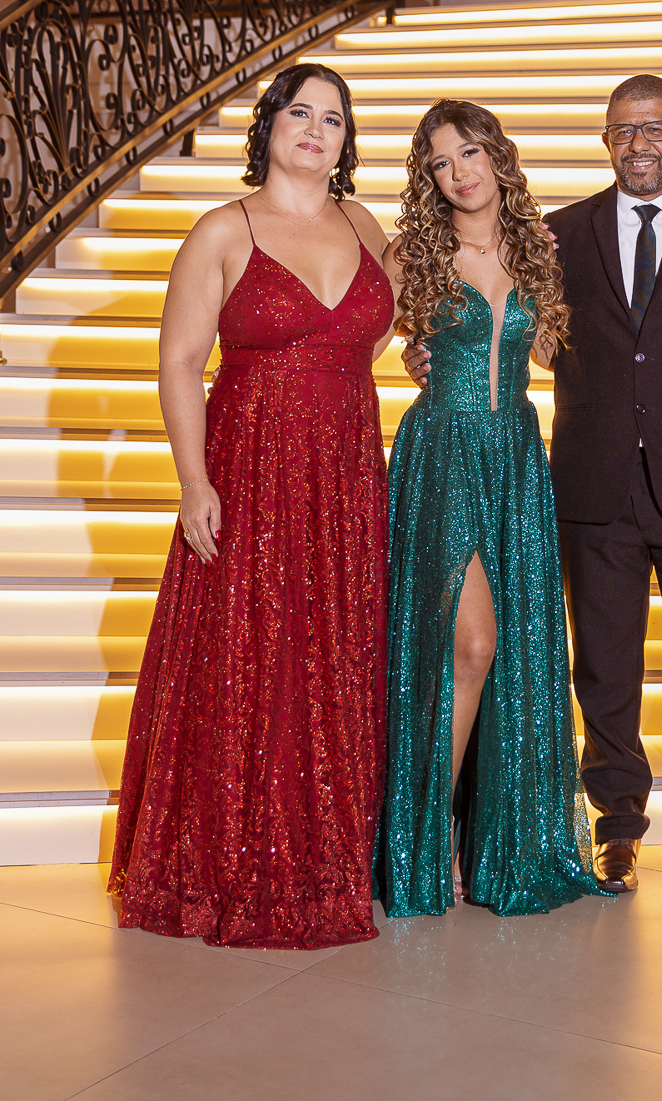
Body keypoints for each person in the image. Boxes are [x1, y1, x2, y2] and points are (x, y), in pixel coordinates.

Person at [407, 73, 662, 911]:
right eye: (624, 130)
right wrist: (427, 350)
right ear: (606, 142)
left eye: (655, 127)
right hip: (590, 490)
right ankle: (616, 830)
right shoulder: (556, 236)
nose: (640, 143)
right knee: (604, 670)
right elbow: (504, 328)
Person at [109, 63, 395, 949]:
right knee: (246, 655)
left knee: (334, 650)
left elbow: (378, 331)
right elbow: (178, 362)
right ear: (269, 126)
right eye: (299, 112)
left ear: (346, 141)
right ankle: (227, 861)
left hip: (346, 474)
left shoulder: (366, 225)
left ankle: (328, 858)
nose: (316, 129)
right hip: (252, 469)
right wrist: (194, 480)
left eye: (333, 119)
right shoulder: (222, 231)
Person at [377, 99, 598, 918]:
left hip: (515, 456)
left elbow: (544, 351)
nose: (458, 173)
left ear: (496, 156)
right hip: (442, 451)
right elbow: (357, 345)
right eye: (440, 162)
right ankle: (422, 839)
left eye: (468, 153)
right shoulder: (413, 254)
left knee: (512, 653)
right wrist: (409, 354)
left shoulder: (539, 249)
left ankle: (493, 837)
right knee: (471, 645)